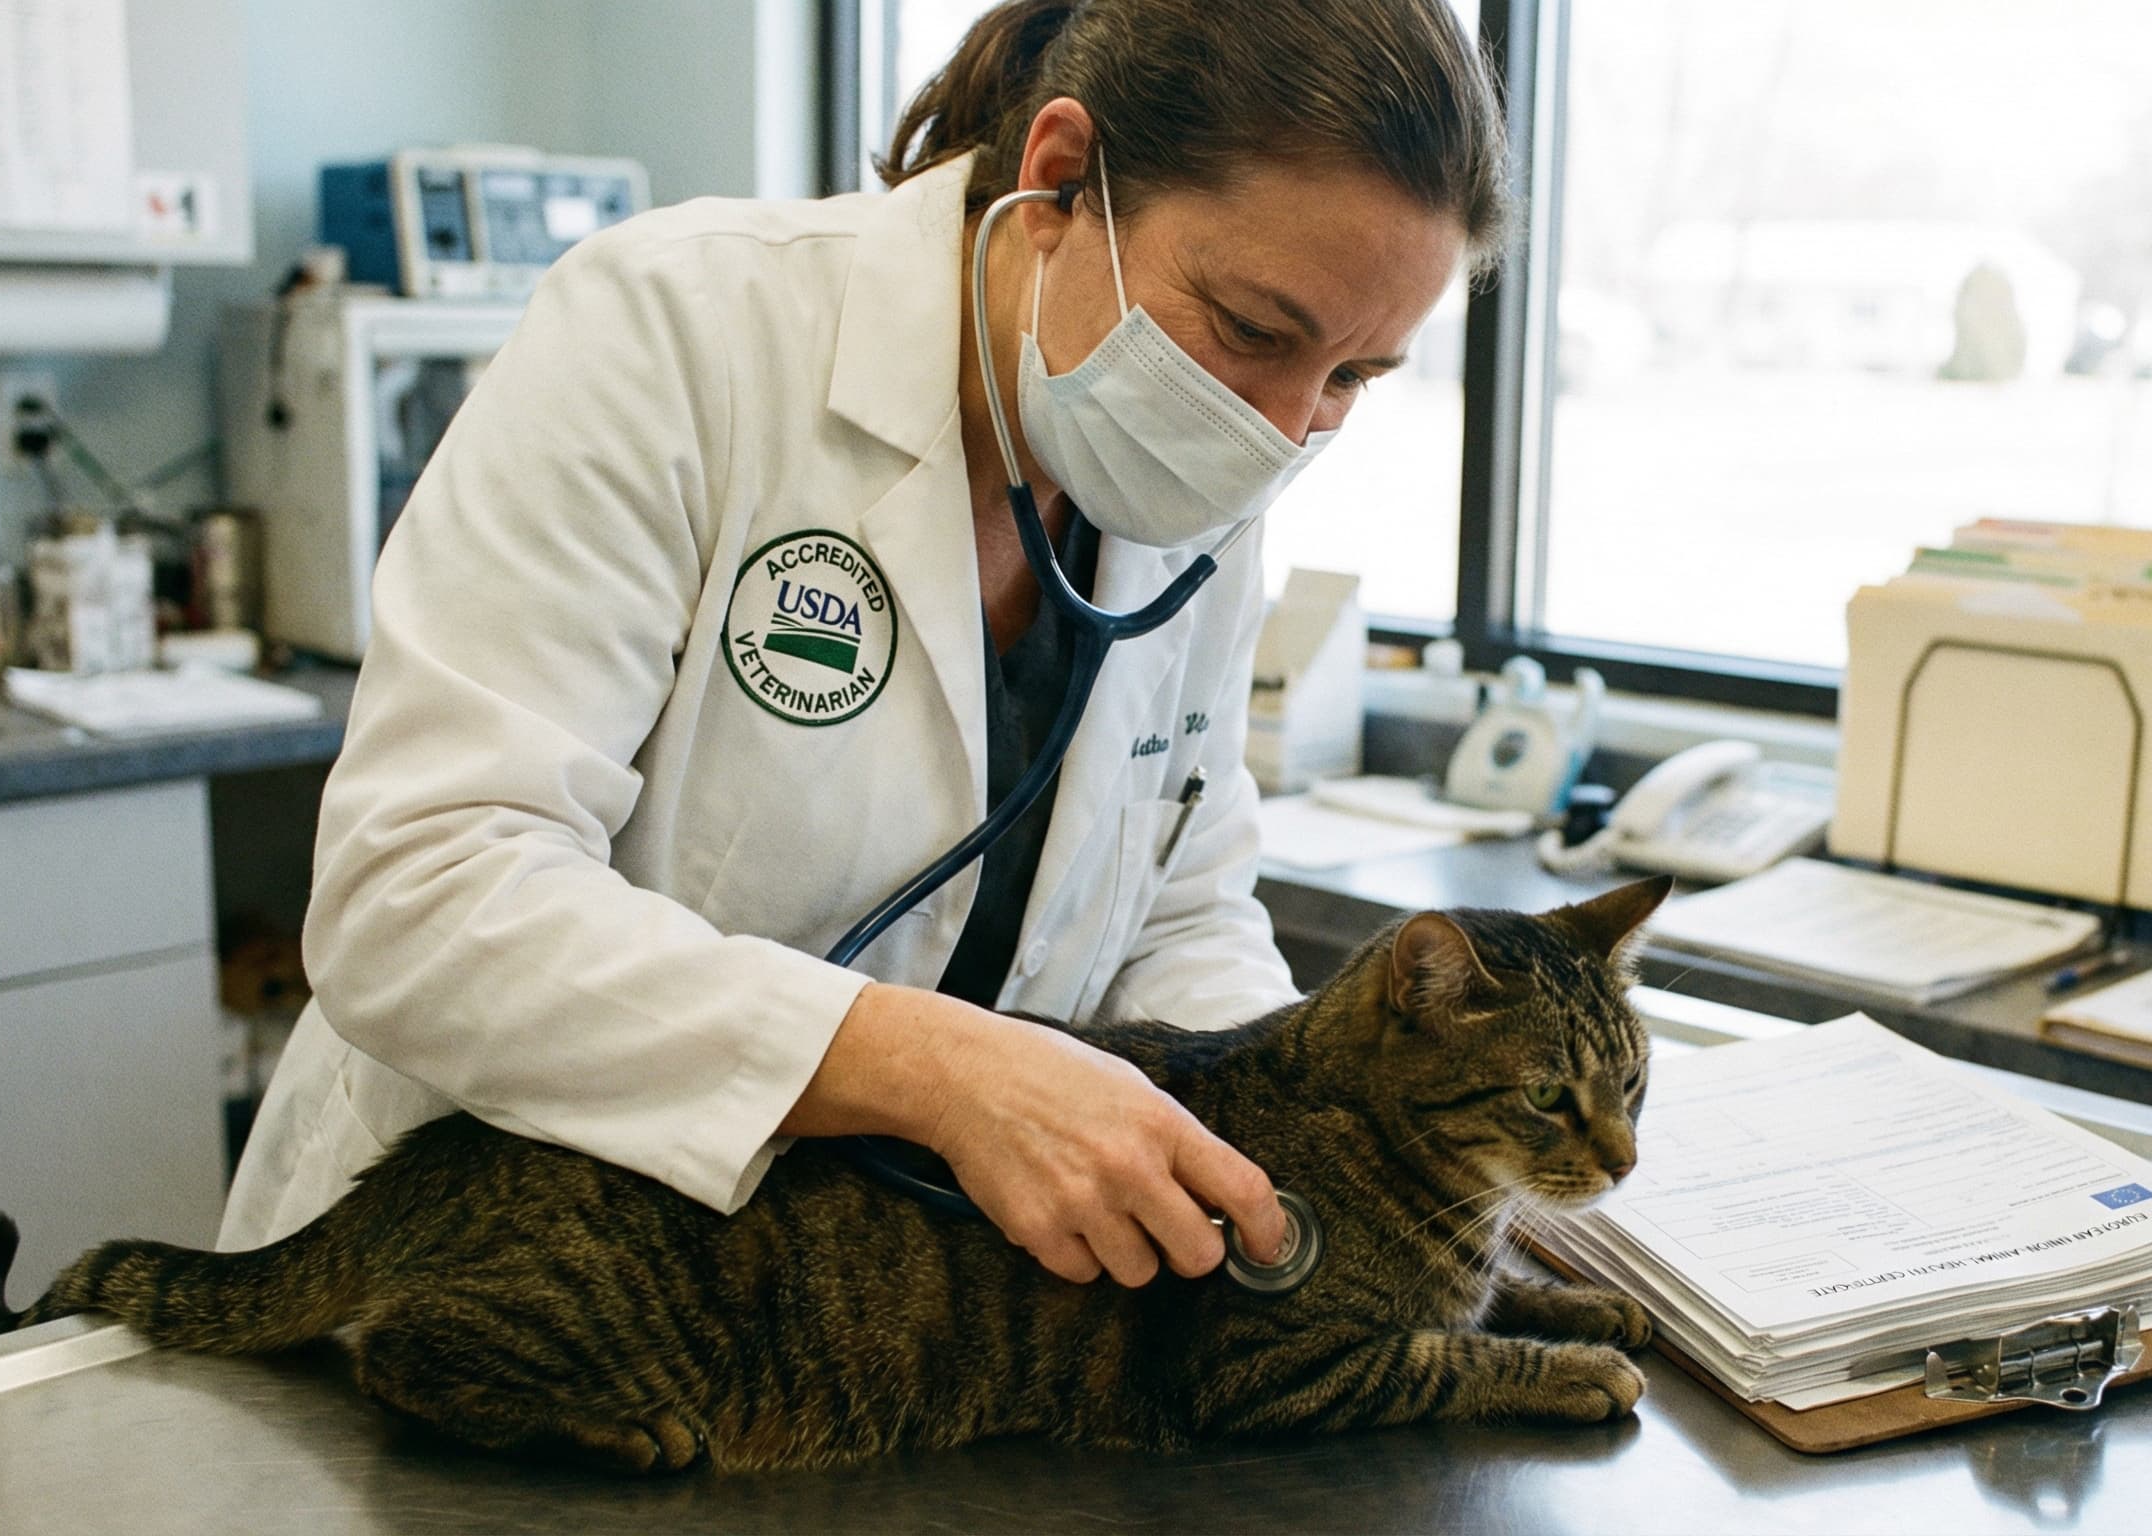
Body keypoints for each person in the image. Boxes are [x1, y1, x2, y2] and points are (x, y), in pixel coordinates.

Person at [221, 0, 1509, 1292]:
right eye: (1252, 328)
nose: (1285, 430)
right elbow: (418, 897)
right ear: (1060, 180)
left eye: (1354, 377)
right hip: (486, 1281)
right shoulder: (680, 329)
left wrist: (1333, 1168)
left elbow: (1183, 911)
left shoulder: (1195, 494)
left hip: (838, 1320)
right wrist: (925, 1069)